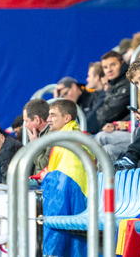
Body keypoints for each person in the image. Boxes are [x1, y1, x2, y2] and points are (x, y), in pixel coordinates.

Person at [39, 99, 94, 257]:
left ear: (67, 118)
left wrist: (47, 177)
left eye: (53, 115)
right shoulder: (71, 138)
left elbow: (62, 183)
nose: (48, 119)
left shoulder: (68, 141)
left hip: (73, 198)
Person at [95, 51, 131, 130]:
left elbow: (108, 113)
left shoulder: (128, 81)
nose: (109, 70)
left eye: (113, 65)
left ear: (122, 63)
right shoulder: (113, 83)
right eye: (105, 67)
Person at [22, 98, 52, 175]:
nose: (25, 125)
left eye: (27, 121)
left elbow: (44, 166)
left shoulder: (52, 136)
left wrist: (35, 145)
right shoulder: (35, 135)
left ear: (36, 119)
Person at [85, 62, 107, 134]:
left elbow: (89, 124)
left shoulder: (104, 96)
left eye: (89, 76)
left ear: (97, 77)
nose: (87, 79)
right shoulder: (94, 95)